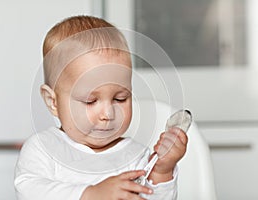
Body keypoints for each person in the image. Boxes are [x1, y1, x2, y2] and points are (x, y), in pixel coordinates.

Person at [14, 15, 188, 200]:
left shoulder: (137, 157)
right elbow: (28, 190)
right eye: (90, 101)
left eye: (120, 99)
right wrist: (90, 194)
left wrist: (162, 172)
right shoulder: (43, 149)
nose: (108, 114)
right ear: (53, 101)